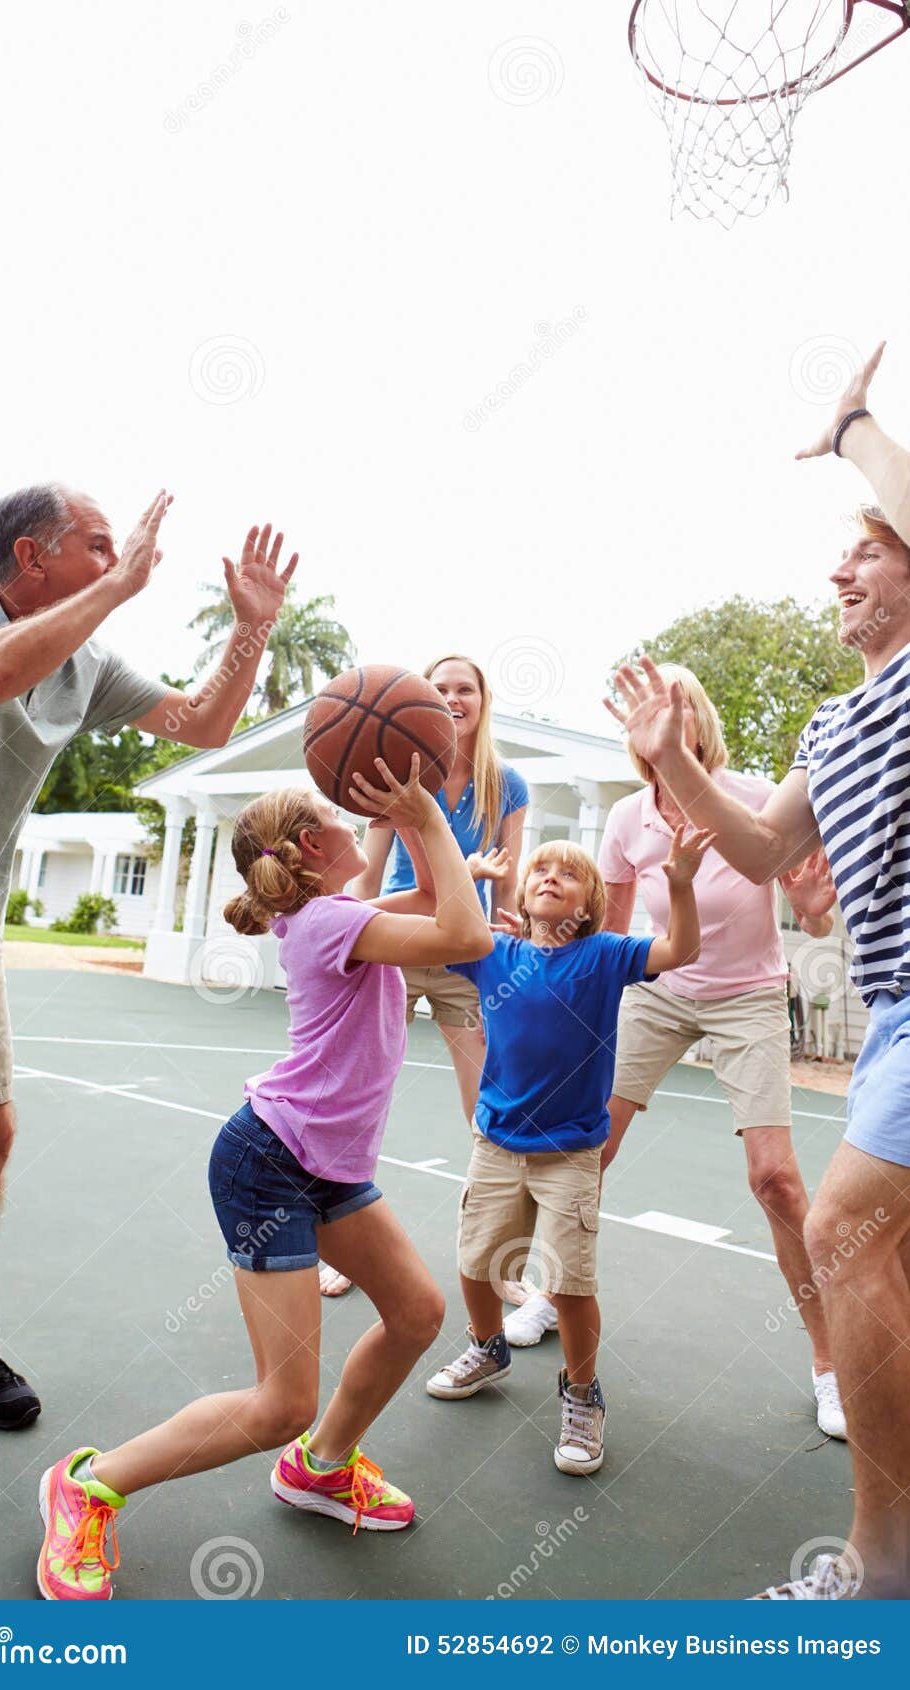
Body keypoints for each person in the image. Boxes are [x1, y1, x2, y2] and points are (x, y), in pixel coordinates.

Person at [0, 488, 295, 1429]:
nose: (122, 554)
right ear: (30, 557)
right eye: (98, 544)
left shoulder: (84, 664)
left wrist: (250, 632)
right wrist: (120, 587)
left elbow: (202, 726)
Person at [35, 756, 493, 1599]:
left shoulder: (334, 912)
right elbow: (467, 937)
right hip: (269, 1163)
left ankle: (320, 1469)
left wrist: (442, 835)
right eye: (338, 815)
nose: (356, 823)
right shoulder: (326, 926)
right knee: (280, 1402)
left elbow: (436, 902)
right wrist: (426, 817)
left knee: (417, 1312)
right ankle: (88, 1484)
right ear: (312, 846)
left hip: (324, 1165)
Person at [607, 343, 910, 1599]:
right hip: (893, 1007)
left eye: (867, 549)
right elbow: (766, 841)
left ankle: (879, 1567)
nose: (837, 569)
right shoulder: (834, 719)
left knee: (838, 1227)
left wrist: (849, 428)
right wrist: (671, 762)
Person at [503, 665, 845, 1441]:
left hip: (748, 995)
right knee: (586, 1152)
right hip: (657, 993)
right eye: (651, 707)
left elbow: (810, 912)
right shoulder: (627, 818)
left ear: (697, 722)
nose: (664, 715)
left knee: (776, 1180)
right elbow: (611, 939)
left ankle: (829, 1365)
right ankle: (547, 1295)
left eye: (680, 702)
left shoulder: (756, 798)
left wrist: (817, 913)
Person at [424, 827, 711, 1477]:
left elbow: (680, 948)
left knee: (568, 1284)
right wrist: (465, 873)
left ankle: (581, 1394)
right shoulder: (492, 950)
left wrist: (681, 881)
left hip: (570, 1154)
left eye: (568, 873)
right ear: (521, 895)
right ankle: (487, 1348)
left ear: (587, 906)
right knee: (474, 1265)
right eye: (539, 869)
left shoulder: (604, 955)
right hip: (495, 1142)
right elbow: (445, 927)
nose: (549, 875)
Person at [322, 654, 528, 1298]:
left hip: (470, 954)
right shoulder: (390, 767)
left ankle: (497, 1260)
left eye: (464, 688)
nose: (452, 697)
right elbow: (367, 872)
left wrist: (515, 928)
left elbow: (508, 881)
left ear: (482, 700)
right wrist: (350, 934)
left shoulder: (507, 785)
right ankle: (342, 1247)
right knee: (360, 1092)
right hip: (404, 942)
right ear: (421, 699)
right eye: (439, 689)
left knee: (489, 1109)